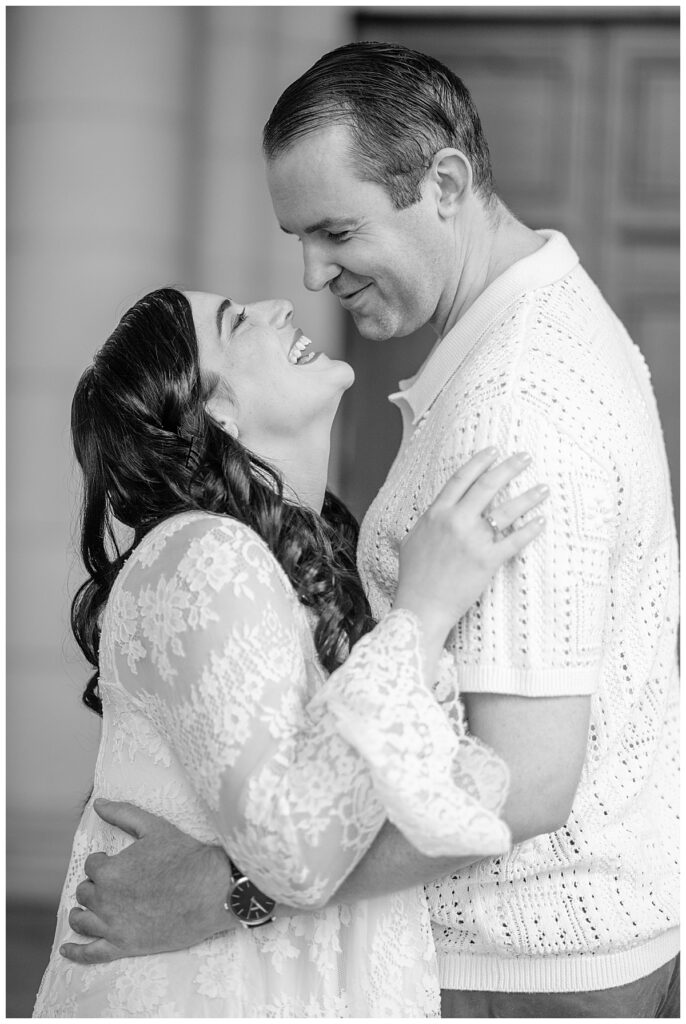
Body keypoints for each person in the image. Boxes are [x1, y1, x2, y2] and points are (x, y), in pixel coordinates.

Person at [57, 41, 680, 1018]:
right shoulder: (484, 371)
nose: (307, 276)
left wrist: (226, 890)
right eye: (296, 235)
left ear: (441, 182)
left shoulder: (516, 402)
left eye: (335, 229)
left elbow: (525, 782)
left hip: (520, 974)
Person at [34, 285, 547, 1017]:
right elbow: (296, 855)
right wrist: (425, 611)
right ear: (216, 412)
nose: (280, 304)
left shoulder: (309, 563)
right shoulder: (202, 553)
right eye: (236, 321)